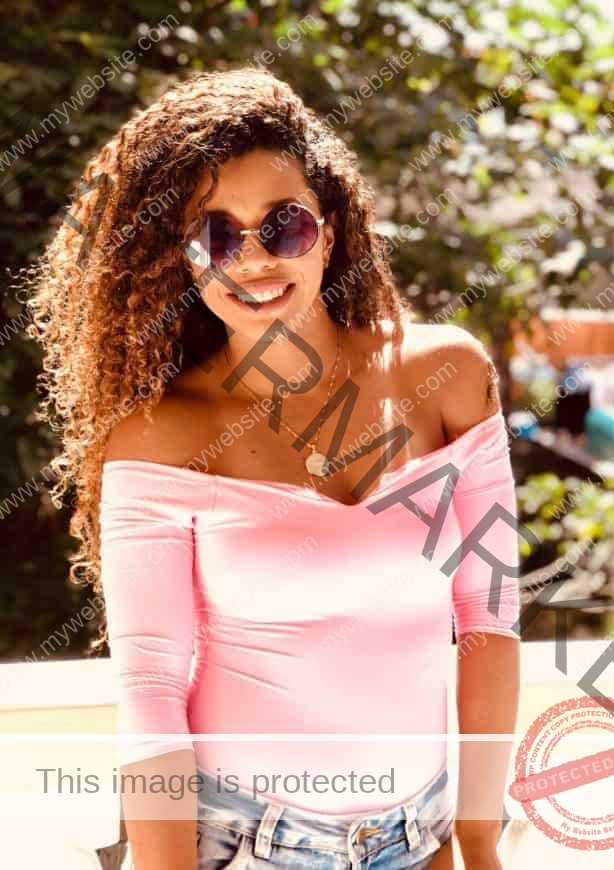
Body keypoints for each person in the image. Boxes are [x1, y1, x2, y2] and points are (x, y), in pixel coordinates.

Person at [28, 67, 520, 869]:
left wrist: (475, 838)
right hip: (241, 843)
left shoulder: (450, 377)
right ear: (185, 262)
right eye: (217, 235)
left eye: (282, 226)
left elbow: (489, 620)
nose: (253, 259)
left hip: (418, 837)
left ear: (327, 231)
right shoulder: (161, 435)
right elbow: (150, 687)